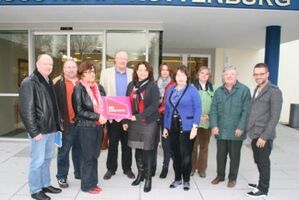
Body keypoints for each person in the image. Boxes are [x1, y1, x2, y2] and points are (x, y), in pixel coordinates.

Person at [19, 54, 62, 200]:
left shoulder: (48, 81)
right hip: (39, 131)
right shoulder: (29, 82)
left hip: (50, 129)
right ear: (37, 64)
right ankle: (35, 189)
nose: (48, 66)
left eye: (50, 64)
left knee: (47, 158)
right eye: (45, 64)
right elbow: (26, 110)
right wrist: (33, 131)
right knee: (37, 161)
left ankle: (45, 184)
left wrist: (56, 125)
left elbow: (52, 106)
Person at [210, 65, 251, 188]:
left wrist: (241, 127)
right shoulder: (218, 91)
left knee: (234, 156)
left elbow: (246, 111)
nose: (229, 76)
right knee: (220, 155)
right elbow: (213, 110)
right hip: (221, 129)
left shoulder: (244, 90)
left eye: (232, 74)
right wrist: (214, 125)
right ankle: (220, 176)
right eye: (226, 74)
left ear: (236, 76)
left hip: (236, 130)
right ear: (223, 77)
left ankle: (232, 178)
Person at [245, 63, 282, 198]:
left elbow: (275, 116)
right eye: (256, 74)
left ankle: (263, 189)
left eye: (261, 74)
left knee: (264, 161)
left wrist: (265, 136)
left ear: (267, 74)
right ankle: (261, 183)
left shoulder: (274, 91)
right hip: (255, 133)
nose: (258, 76)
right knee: (258, 160)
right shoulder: (258, 89)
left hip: (263, 135)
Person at [122, 61, 160, 192]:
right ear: (136, 71)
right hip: (133, 123)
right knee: (137, 150)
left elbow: (155, 105)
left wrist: (139, 116)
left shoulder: (152, 86)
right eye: (140, 70)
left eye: (145, 70)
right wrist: (125, 121)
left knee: (147, 150)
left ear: (149, 72)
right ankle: (140, 175)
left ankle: (148, 178)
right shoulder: (131, 85)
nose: (142, 72)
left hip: (148, 122)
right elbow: (126, 104)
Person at [163, 65, 201, 191]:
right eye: (178, 75)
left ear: (187, 77)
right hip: (172, 127)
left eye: (183, 75)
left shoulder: (192, 90)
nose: (180, 77)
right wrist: (165, 127)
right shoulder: (170, 90)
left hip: (187, 128)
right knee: (176, 154)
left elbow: (198, 109)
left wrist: (195, 127)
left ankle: (186, 180)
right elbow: (167, 110)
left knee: (186, 155)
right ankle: (177, 178)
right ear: (175, 77)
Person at [72, 60, 107, 194]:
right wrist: (98, 117)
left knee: (94, 156)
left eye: (92, 71)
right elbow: (79, 111)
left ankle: (93, 182)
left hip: (98, 127)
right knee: (87, 157)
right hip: (86, 127)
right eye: (87, 72)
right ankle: (86, 186)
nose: (91, 74)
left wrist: (108, 114)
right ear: (81, 75)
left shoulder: (99, 88)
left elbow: (105, 104)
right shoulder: (78, 89)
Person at [100, 51, 135, 180]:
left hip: (127, 115)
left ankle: (127, 169)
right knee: (113, 143)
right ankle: (111, 169)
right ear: (115, 59)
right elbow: (102, 93)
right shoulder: (106, 73)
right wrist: (104, 113)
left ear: (128, 60)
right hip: (112, 115)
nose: (122, 61)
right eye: (120, 58)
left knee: (127, 144)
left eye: (125, 58)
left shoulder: (133, 73)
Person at [54, 58, 81, 188]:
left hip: (81, 124)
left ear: (77, 69)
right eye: (68, 67)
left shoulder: (83, 82)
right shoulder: (57, 83)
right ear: (64, 69)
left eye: (73, 67)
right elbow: (54, 106)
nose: (71, 69)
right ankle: (62, 177)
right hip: (66, 124)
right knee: (63, 152)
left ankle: (79, 172)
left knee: (79, 150)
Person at [191, 66, 215, 178]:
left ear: (209, 76)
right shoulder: (191, 88)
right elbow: (188, 104)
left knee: (204, 147)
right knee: (193, 146)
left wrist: (209, 116)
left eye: (206, 73)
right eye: (202, 73)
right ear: (198, 74)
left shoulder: (213, 89)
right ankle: (192, 168)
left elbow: (216, 106)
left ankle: (202, 169)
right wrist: (196, 116)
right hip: (194, 122)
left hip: (207, 122)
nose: (204, 75)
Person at [156, 62, 175, 178]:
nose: (164, 72)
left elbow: (171, 103)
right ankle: (152, 167)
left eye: (167, 70)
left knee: (165, 143)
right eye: (163, 69)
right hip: (154, 115)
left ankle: (165, 167)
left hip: (166, 115)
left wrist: (160, 109)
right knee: (153, 141)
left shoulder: (173, 85)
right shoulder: (154, 83)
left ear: (170, 72)